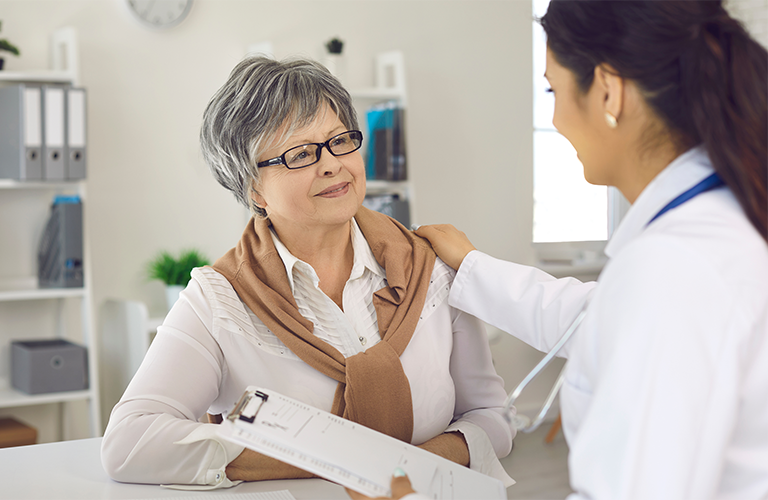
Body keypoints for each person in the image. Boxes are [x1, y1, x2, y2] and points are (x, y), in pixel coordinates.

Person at [372, 0, 768, 499]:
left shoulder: (675, 265)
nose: (555, 119)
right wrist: (473, 266)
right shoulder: (718, 224)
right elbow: (593, 316)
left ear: (608, 90)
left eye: (552, 89)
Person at [100, 56, 515, 490]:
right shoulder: (219, 299)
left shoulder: (430, 268)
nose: (333, 163)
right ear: (253, 188)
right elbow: (130, 444)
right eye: (300, 154)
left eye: (340, 141)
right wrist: (329, 457)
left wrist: (409, 470)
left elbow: (494, 415)